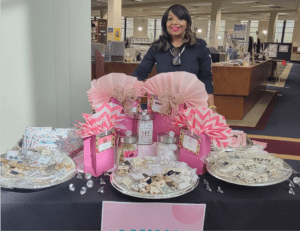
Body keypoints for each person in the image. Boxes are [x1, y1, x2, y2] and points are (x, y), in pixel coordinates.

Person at [132, 4, 216, 111]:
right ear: (165, 24)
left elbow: (206, 78)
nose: (175, 23)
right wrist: (128, 87)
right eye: (170, 19)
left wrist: (211, 106)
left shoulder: (199, 46)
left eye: (180, 18)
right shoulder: (157, 47)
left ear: (187, 23)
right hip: (163, 105)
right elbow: (141, 72)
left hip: (192, 106)